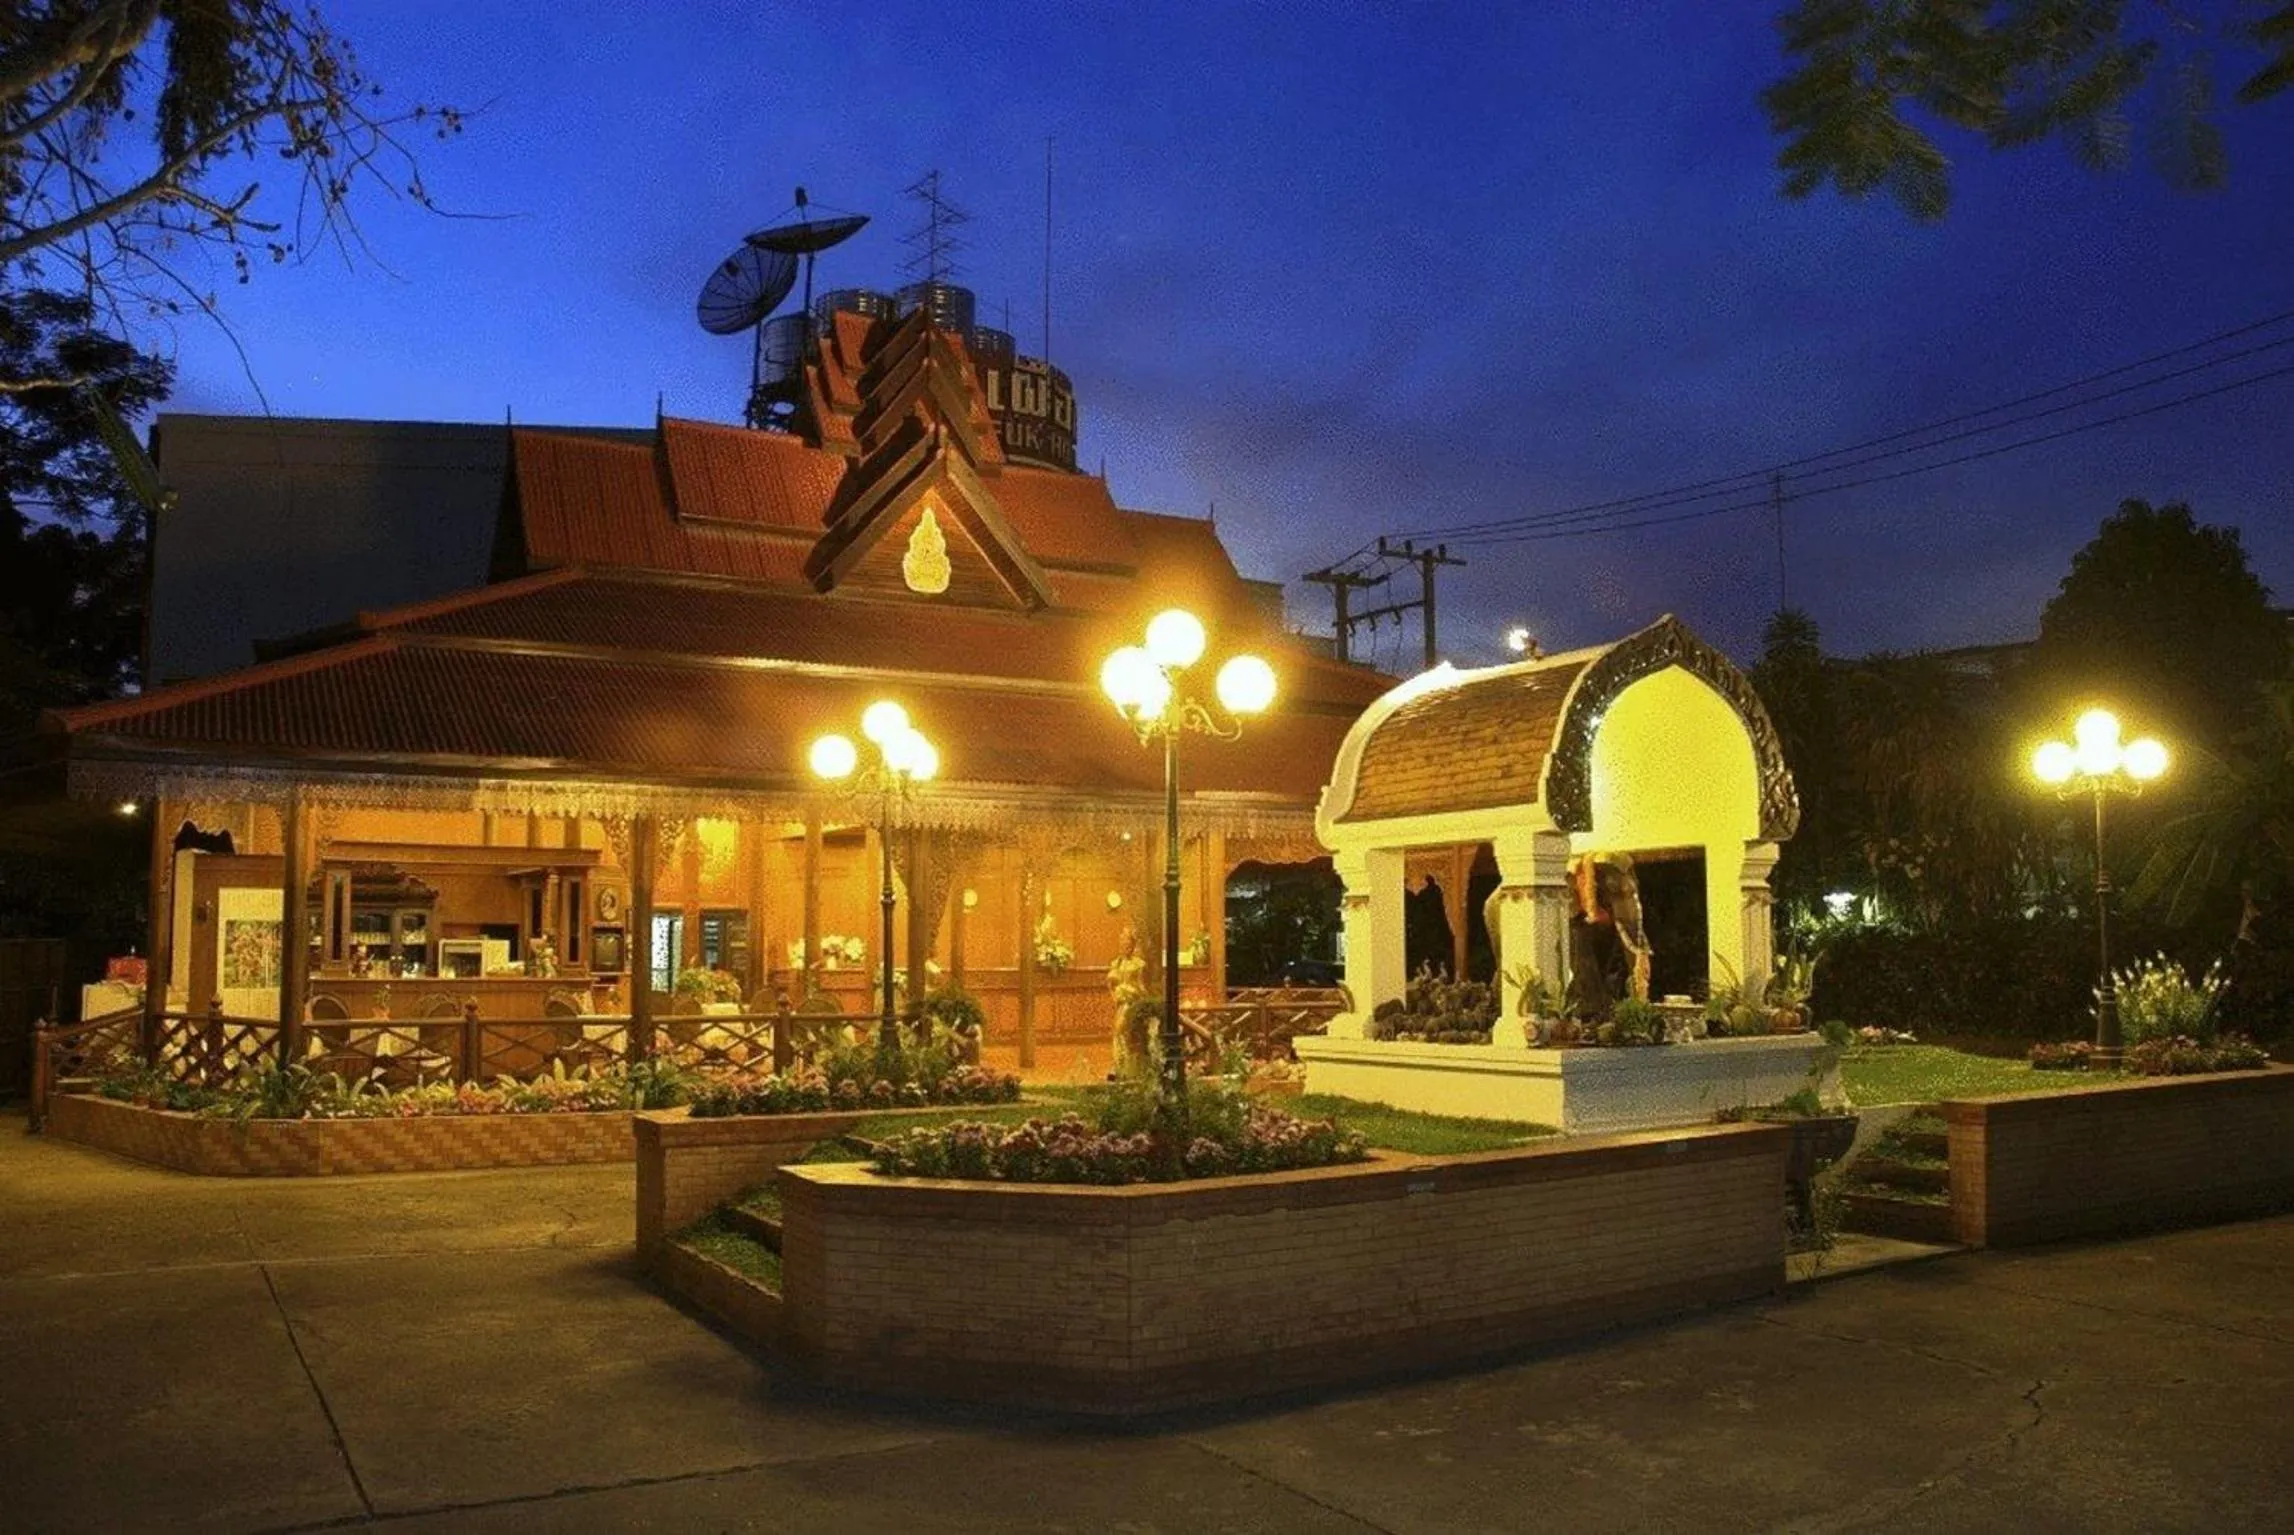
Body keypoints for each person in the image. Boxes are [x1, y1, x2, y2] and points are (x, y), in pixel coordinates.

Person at [1105, 927, 1149, 1074]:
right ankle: (1119, 1064)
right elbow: (1110, 983)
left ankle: (1128, 1066)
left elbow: (1142, 985)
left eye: (1128, 943)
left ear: (1133, 945)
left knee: (1126, 1032)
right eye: (1122, 943)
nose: (1125, 946)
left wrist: (1138, 996)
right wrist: (1114, 995)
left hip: (1133, 1003)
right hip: (1121, 1004)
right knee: (1119, 1033)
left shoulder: (1139, 964)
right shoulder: (1116, 963)